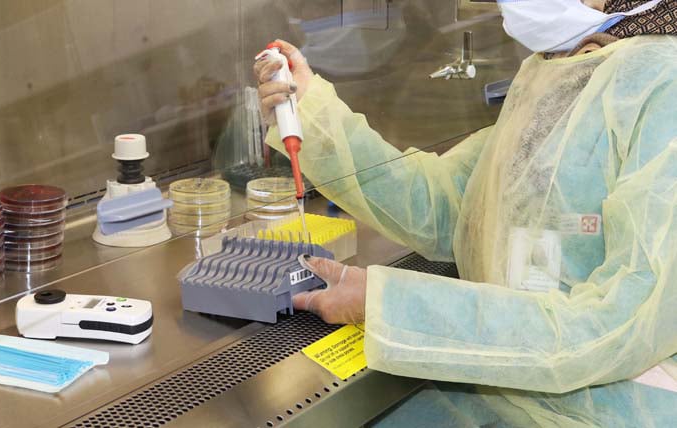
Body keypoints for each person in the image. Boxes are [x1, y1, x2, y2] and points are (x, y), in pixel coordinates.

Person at [254, 0, 677, 426]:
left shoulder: (662, 84)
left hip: (605, 412)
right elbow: (451, 207)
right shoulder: (554, 68)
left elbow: (621, 322)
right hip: (507, 391)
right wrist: (312, 114)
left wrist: (387, 303)